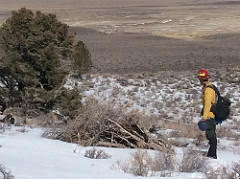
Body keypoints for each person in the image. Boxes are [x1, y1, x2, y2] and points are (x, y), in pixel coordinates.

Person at [198, 69, 217, 159]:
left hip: (210, 116)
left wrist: (205, 117)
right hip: (210, 115)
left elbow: (208, 104)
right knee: (211, 134)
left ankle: (212, 155)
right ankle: (211, 154)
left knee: (211, 135)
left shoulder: (208, 90)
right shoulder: (209, 87)